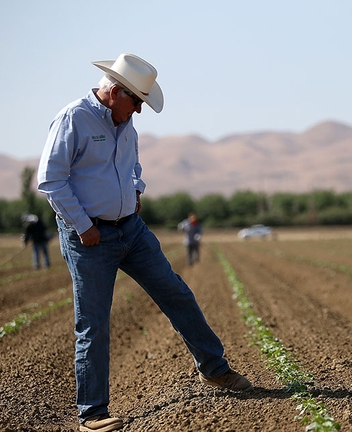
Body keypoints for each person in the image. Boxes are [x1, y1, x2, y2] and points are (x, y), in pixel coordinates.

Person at [37, 53, 251, 432]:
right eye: (136, 101)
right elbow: (52, 180)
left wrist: (136, 190)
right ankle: (93, 414)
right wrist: (84, 226)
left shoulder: (126, 125)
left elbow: (134, 167)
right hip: (90, 238)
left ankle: (214, 370)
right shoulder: (74, 118)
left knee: (176, 293)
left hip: (131, 230)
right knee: (94, 323)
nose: (139, 110)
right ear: (115, 91)